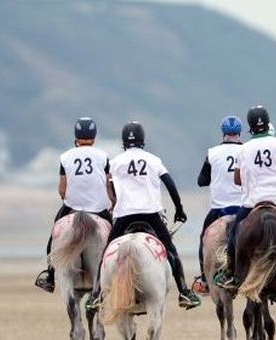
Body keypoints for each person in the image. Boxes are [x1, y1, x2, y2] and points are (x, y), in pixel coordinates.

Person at [92, 121, 201, 309]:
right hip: (151, 214)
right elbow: (170, 184)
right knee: (171, 251)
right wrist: (179, 208)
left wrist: (114, 202)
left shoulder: (115, 162)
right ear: (142, 141)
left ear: (124, 142)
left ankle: (96, 294)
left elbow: (108, 186)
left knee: (106, 253)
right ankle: (184, 291)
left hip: (125, 215)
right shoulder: (153, 159)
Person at [213, 105, 276, 292]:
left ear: (250, 126)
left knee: (234, 234)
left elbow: (237, 179)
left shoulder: (244, 149)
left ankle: (231, 273)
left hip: (252, 201)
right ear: (267, 123)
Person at [35, 117, 115, 293]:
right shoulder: (103, 156)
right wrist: (113, 202)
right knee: (115, 237)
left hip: (72, 206)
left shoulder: (65, 157)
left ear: (76, 136)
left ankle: (49, 275)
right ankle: (114, 272)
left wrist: (68, 198)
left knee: (52, 238)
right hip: (99, 208)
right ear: (94, 137)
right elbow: (109, 184)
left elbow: (62, 189)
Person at [191, 116, 243, 295]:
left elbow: (201, 181)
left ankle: (205, 280)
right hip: (245, 208)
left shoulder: (212, 153)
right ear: (240, 133)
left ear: (223, 133)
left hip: (219, 209)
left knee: (203, 239)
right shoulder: (247, 150)